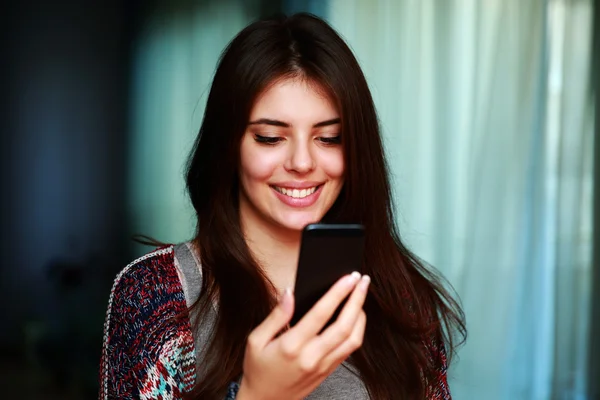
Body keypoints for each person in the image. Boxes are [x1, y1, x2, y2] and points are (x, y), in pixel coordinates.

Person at [99, 12, 466, 400]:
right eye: (271, 137)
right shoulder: (157, 296)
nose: (302, 162)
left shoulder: (401, 298)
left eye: (329, 138)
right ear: (229, 146)